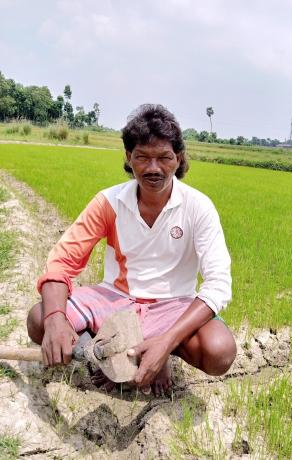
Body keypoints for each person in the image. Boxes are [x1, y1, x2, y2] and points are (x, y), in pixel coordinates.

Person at [27, 104, 237, 396]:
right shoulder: (109, 202)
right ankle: (109, 355)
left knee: (219, 351)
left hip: (173, 305)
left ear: (178, 159)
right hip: (117, 298)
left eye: (164, 157)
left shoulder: (198, 207)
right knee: (40, 319)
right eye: (143, 157)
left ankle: (157, 352)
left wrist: (166, 342)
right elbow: (61, 263)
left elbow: (218, 284)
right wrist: (55, 321)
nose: (154, 169)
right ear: (129, 158)